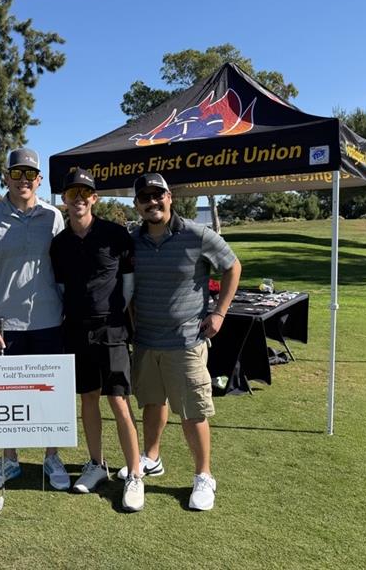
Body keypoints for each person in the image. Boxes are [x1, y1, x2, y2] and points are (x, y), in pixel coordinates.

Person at [122, 172, 241, 511]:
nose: (152, 202)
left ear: (170, 197)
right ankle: (152, 457)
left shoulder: (196, 234)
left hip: (186, 342)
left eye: (157, 195)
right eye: (144, 197)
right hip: (145, 341)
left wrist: (219, 313)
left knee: (192, 412)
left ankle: (204, 475)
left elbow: (233, 267)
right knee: (152, 404)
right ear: (137, 204)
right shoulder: (132, 239)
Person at [0, 147, 70, 493]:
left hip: (49, 320)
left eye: (30, 175)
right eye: (16, 174)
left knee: (50, 397)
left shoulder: (53, 217)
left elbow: (61, 271)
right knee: (7, 398)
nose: (23, 180)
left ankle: (51, 456)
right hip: (6, 325)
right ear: (6, 177)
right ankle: (9, 460)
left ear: (39, 180)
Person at [49, 168, 145, 512]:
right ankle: (96, 464)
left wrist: (116, 314)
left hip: (113, 330)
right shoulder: (59, 244)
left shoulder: (116, 234)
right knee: (87, 398)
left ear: (95, 198)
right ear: (64, 200)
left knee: (118, 400)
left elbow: (128, 283)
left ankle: (135, 472)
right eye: (71, 194)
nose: (78, 199)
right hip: (76, 329)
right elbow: (61, 288)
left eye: (84, 194)